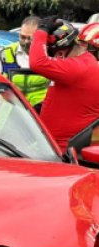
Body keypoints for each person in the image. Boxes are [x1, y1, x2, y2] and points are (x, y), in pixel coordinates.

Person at [29, 20, 99, 151]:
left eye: (53, 54)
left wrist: (42, 31)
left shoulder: (79, 67)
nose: (54, 58)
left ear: (61, 52)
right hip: (52, 147)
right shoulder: (81, 64)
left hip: (64, 153)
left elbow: (37, 62)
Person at [0, 16, 50, 109]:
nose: (25, 41)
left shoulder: (50, 56)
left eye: (30, 38)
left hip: (40, 114)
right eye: (22, 37)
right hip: (11, 114)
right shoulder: (4, 54)